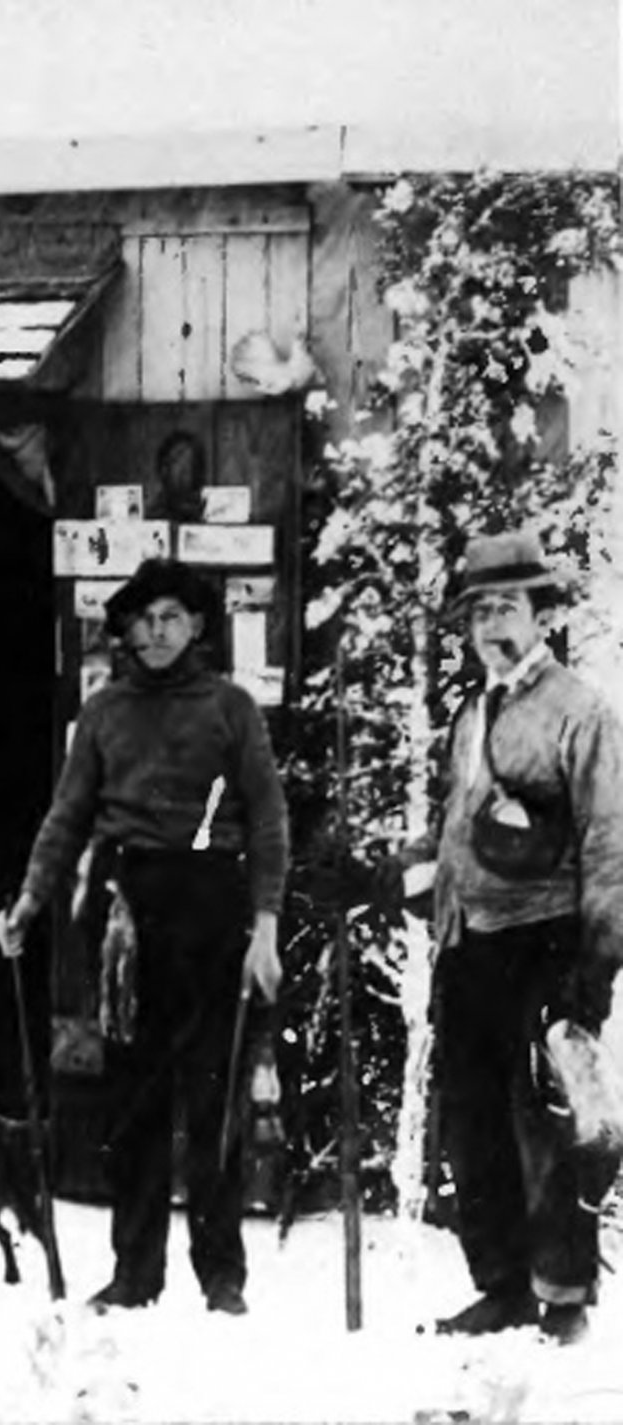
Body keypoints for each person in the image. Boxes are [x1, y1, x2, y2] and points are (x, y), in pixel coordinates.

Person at [0, 557, 286, 1316]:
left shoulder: (231, 708)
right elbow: (67, 816)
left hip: (214, 907)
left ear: (196, 627)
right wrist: (29, 900)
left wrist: (264, 926)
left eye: (171, 618)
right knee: (135, 1102)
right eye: (144, 620)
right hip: (127, 917)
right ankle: (135, 1273)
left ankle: (222, 1276)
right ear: (126, 630)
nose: (156, 632)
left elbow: (267, 818)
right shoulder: (104, 713)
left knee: (215, 1096)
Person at [404, 530, 623, 1345]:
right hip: (469, 945)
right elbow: (457, 835)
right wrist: (388, 879)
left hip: (546, 945)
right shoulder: (472, 713)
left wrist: (596, 964)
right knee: (475, 1122)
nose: (492, 624)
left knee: (548, 1122)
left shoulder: (580, 711)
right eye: (480, 611)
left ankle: (563, 1298)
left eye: (507, 607)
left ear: (540, 616)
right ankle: (501, 1288)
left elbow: (609, 840)